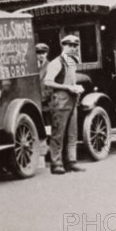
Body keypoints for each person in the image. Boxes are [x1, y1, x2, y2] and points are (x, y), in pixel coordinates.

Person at [43, 35, 86, 175]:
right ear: (63, 46)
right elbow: (48, 81)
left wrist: (75, 87)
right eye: (70, 45)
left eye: (75, 45)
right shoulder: (57, 62)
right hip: (61, 99)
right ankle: (56, 164)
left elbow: (71, 79)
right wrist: (67, 87)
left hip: (73, 99)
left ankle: (71, 162)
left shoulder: (72, 62)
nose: (73, 48)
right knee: (58, 133)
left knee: (72, 133)